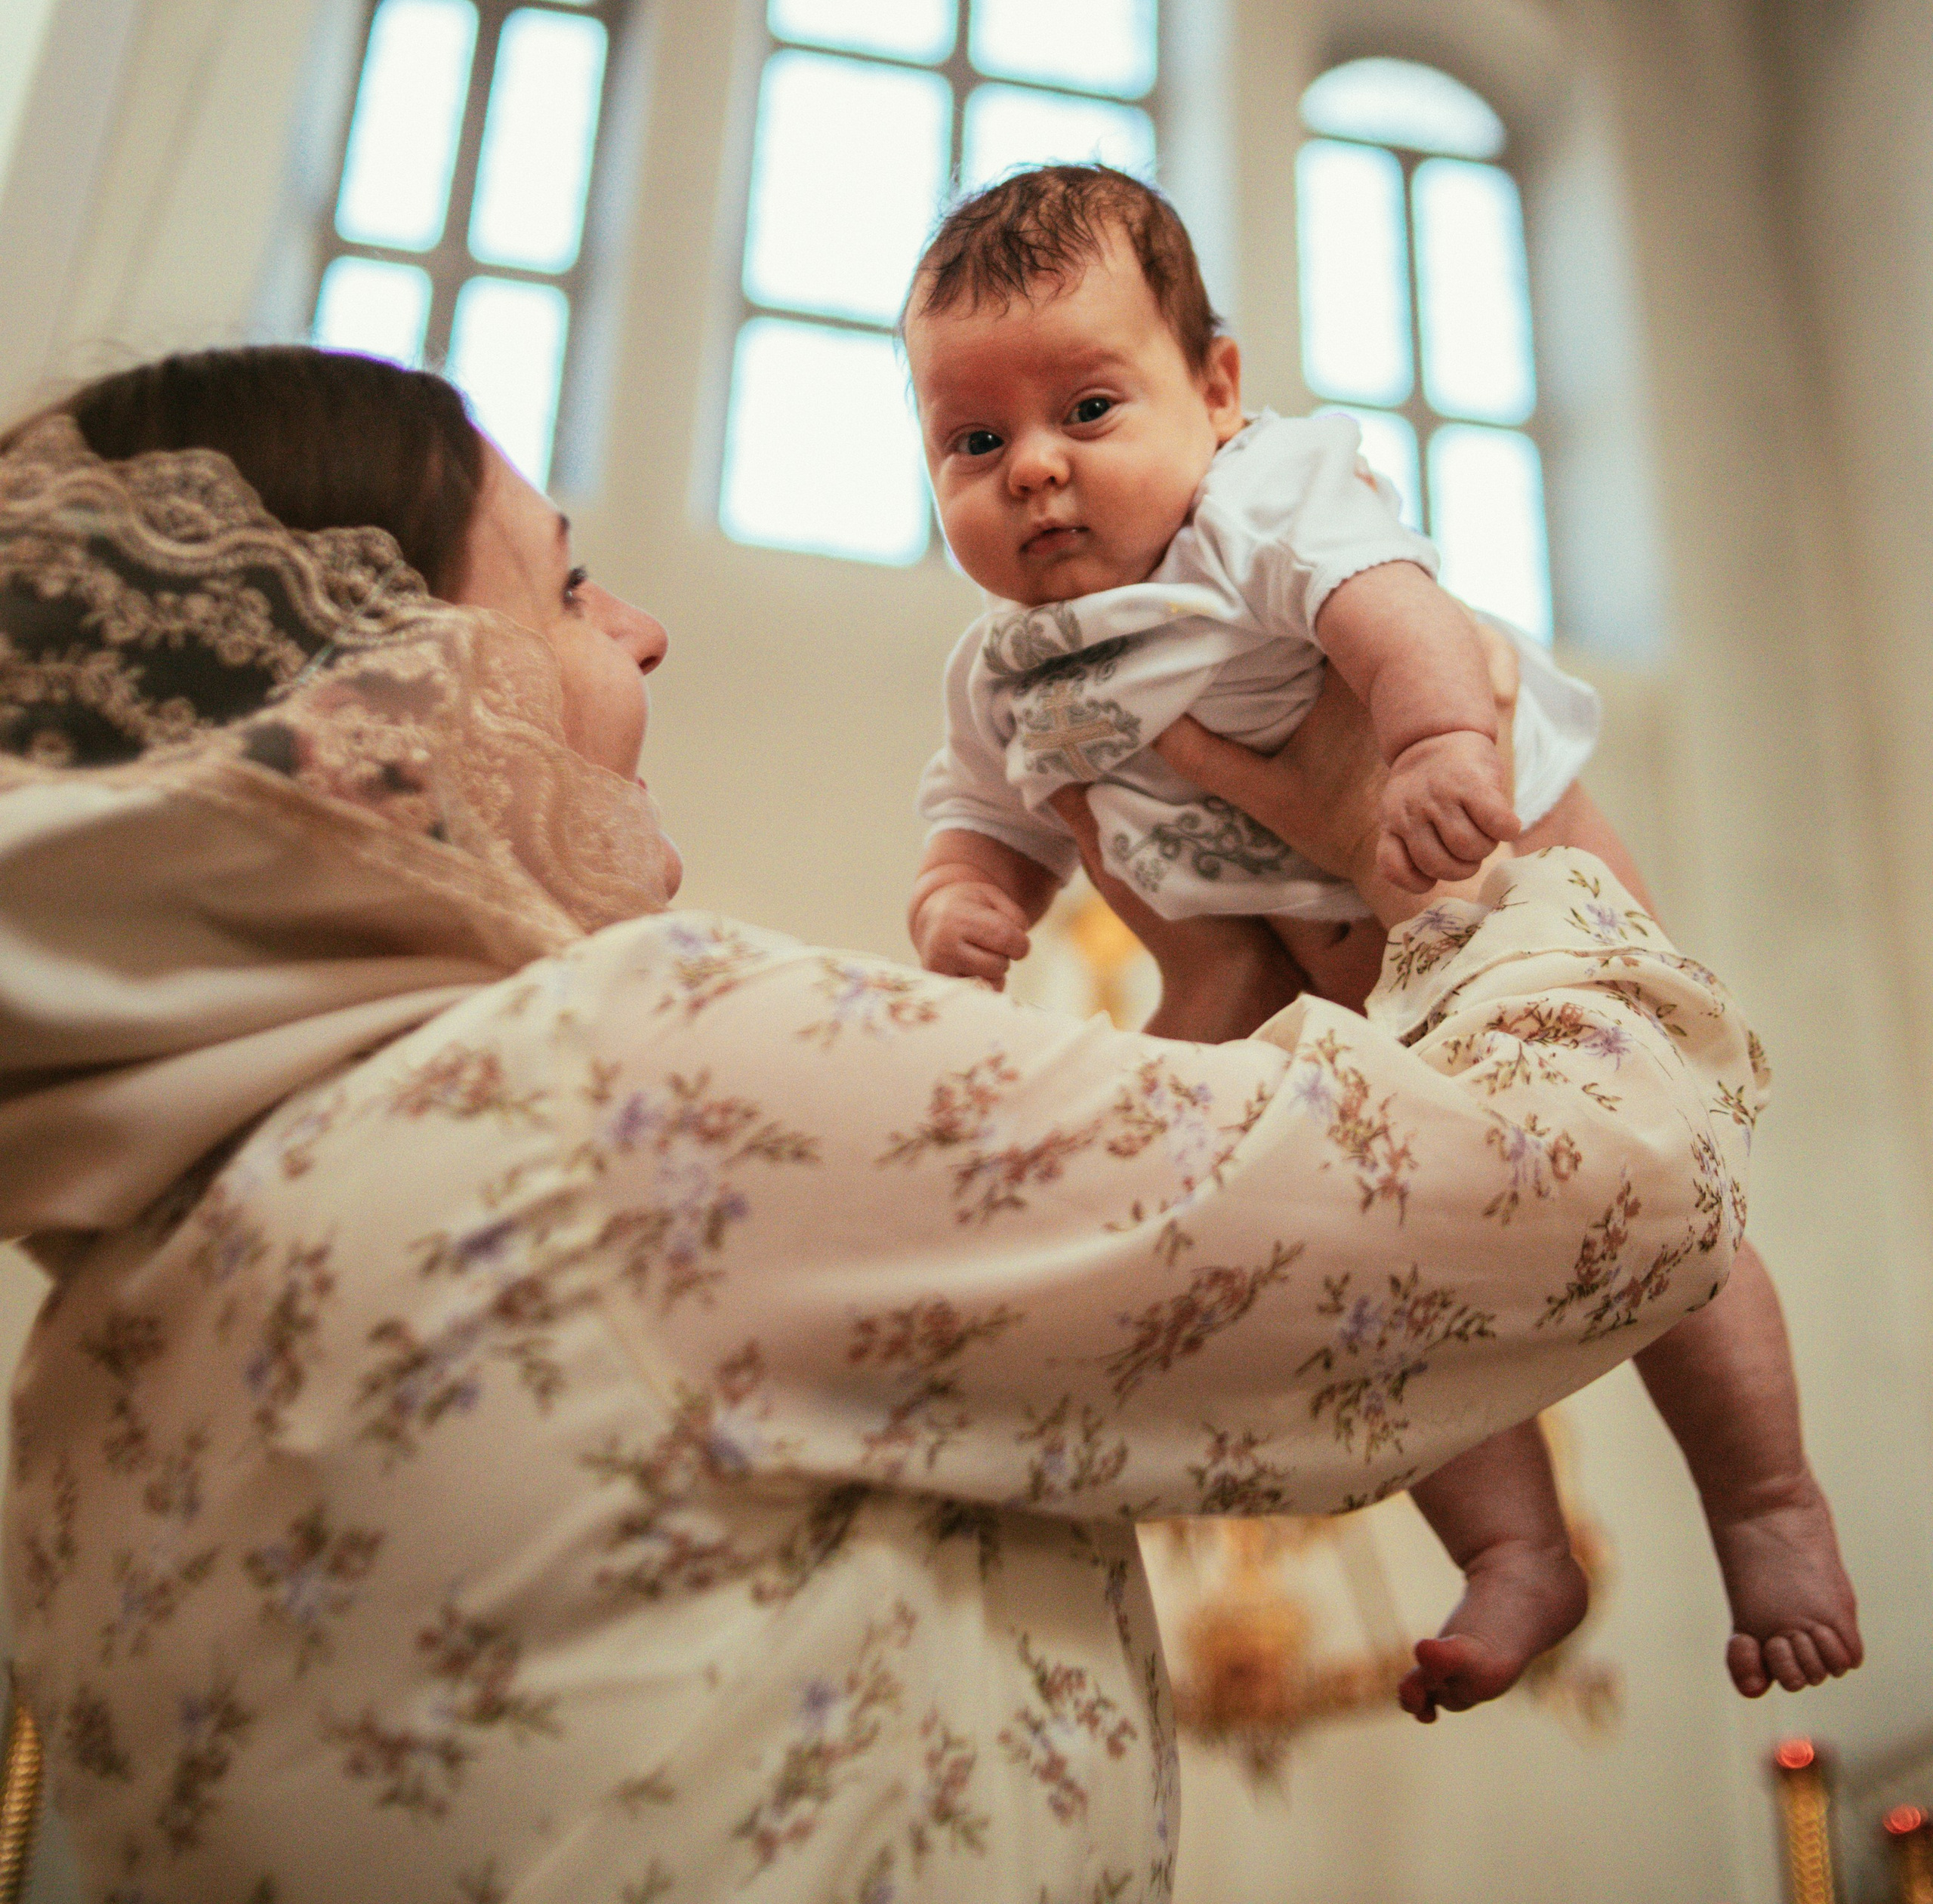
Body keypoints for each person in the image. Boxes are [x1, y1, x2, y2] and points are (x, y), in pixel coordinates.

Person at [0, 347, 1762, 1902]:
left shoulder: (79, 1374)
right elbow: (1604, 1191)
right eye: (569, 585)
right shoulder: (623, 1087)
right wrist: (1441, 842)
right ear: (383, 702)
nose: (642, 626)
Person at [902, 167, 1859, 1718]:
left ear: (1215, 393)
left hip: (1500, 893)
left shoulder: (1258, 502)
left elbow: (1383, 604)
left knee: (1652, 1188)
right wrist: (968, 900)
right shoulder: (1002, 672)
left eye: (1086, 408)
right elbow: (979, 812)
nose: (1030, 472)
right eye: (971, 440)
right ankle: (1513, 1549)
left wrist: (1424, 745)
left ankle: (1765, 1504)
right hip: (1334, 996)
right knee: (1377, 1270)